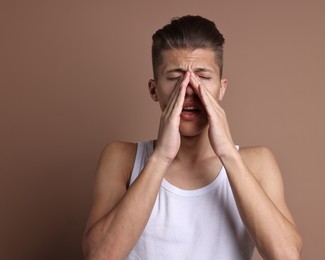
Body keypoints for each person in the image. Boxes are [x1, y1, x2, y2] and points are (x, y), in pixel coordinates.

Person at [82, 15, 302, 260]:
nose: (189, 91)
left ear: (221, 88)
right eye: (176, 78)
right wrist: (161, 157)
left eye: (203, 78)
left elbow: (286, 255)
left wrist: (228, 154)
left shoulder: (258, 163)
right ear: (153, 89)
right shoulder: (121, 158)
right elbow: (99, 256)